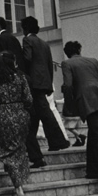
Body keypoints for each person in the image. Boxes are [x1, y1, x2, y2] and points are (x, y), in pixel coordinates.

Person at [61, 41, 98, 194]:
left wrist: (69, 105)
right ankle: (93, 169)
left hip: (87, 100)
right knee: (95, 134)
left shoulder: (67, 63)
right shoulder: (93, 61)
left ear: (67, 52)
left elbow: (68, 85)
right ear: (79, 50)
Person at [21, 16, 70, 166]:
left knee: (43, 113)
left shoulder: (27, 40)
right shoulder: (44, 43)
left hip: (33, 82)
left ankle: (59, 140)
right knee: (37, 114)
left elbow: (27, 59)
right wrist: (49, 84)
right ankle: (54, 142)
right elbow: (49, 64)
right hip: (44, 82)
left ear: (26, 28)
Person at [0, 51, 33, 196]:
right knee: (19, 149)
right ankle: (20, 180)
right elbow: (29, 99)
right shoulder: (20, 78)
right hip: (21, 114)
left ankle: (18, 188)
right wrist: (22, 109)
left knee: (7, 152)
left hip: (3, 116)